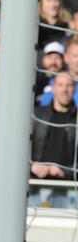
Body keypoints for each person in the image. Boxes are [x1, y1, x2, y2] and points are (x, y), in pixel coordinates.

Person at [31, 71, 76, 208]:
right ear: (54, 88)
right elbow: (19, 149)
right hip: (35, 187)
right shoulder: (37, 115)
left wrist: (64, 172)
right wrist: (32, 166)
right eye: (60, 85)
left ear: (74, 89)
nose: (64, 90)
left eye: (69, 85)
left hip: (68, 191)